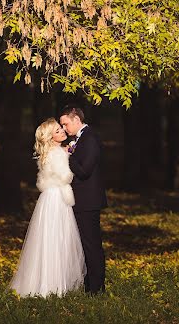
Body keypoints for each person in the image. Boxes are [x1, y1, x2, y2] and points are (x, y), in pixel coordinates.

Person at [9, 117, 86, 298]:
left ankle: (44, 281)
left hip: (48, 198)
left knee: (47, 238)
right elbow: (66, 177)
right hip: (57, 198)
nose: (62, 132)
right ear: (50, 137)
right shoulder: (58, 153)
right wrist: (71, 159)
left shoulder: (49, 153)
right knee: (58, 238)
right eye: (58, 130)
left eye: (61, 129)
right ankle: (54, 285)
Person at [59, 105, 107, 295]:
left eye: (66, 124)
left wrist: (67, 156)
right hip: (81, 201)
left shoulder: (90, 138)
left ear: (77, 120)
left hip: (88, 201)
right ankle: (89, 284)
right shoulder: (80, 138)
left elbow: (85, 170)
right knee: (85, 243)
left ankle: (96, 288)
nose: (64, 129)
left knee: (91, 244)